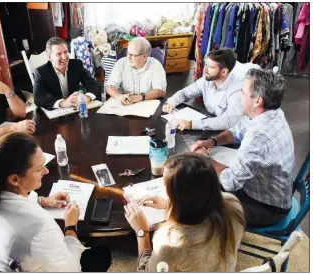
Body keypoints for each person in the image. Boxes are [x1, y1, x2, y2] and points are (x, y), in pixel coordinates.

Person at [0, 133, 111, 272]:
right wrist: (70, 227)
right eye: (39, 169)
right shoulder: (40, 226)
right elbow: (71, 269)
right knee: (102, 255)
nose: (46, 171)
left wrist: (43, 201)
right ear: (14, 179)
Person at [191, 69, 294, 227]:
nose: (240, 95)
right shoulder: (272, 112)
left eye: (243, 92)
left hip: (268, 208)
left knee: (200, 206)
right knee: (206, 184)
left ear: (258, 101)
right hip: (267, 192)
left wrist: (206, 159)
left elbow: (230, 182)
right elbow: (237, 131)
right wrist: (212, 141)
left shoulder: (259, 135)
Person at [124, 153, 245, 272]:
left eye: (166, 186)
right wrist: (170, 205)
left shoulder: (169, 242)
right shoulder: (233, 204)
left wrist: (142, 233)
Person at [163, 48, 243, 131]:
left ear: (224, 72)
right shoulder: (207, 80)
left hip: (232, 134)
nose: (205, 70)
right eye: (206, 65)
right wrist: (171, 102)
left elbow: (227, 121)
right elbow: (185, 93)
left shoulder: (237, 90)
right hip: (210, 124)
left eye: (211, 67)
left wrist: (191, 124)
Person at [33, 37, 101, 110]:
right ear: (50, 57)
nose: (64, 57)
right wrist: (63, 103)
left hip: (75, 111)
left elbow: (93, 85)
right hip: (56, 113)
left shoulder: (77, 64)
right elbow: (38, 99)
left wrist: (86, 98)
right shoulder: (41, 72)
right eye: (59, 54)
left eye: (65, 52)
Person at [106, 37, 167, 105]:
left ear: (144, 56)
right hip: (126, 104)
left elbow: (160, 91)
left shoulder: (156, 65)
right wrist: (120, 96)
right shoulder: (121, 63)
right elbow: (109, 86)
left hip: (148, 105)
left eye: (132, 55)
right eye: (128, 53)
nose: (128, 58)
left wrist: (140, 97)